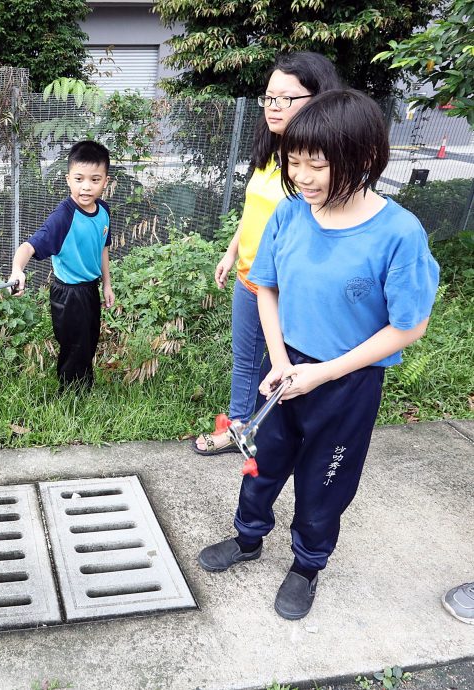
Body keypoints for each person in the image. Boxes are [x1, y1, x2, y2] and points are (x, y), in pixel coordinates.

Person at [197, 90, 439, 620]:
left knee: (324, 482)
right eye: (294, 163)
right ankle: (248, 538)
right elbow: (267, 287)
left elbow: (409, 326)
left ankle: (307, 565)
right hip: (283, 368)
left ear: (365, 159)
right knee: (261, 462)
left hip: (348, 382)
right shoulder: (289, 213)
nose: (302, 177)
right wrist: (281, 361)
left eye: (317, 165)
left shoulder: (398, 233)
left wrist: (322, 374)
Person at [192, 52, 343, 456]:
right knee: (245, 361)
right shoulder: (271, 150)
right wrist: (230, 253)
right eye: (268, 98)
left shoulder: (324, 168)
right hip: (249, 276)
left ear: (318, 99)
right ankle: (241, 426)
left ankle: (269, 434)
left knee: (284, 367)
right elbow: (254, 212)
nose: (273, 107)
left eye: (285, 98)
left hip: (286, 287)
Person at [8, 140, 115, 390]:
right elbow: (28, 247)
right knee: (74, 346)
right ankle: (69, 397)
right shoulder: (63, 217)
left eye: (94, 179)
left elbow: (103, 248)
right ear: (68, 179)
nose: (86, 187)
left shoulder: (103, 211)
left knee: (88, 341)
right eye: (79, 179)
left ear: (105, 182)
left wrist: (107, 284)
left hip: (90, 289)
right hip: (68, 294)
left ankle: (84, 387)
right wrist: (17, 270)